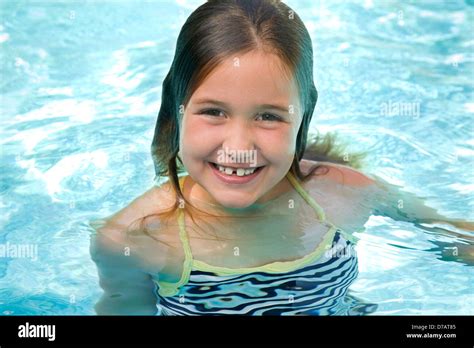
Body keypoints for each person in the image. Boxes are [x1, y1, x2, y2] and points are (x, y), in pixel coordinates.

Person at [89, 0, 473, 315]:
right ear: (176, 110)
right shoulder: (133, 239)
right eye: (214, 112)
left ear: (303, 117)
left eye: (268, 116)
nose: (239, 145)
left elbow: (452, 235)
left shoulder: (346, 194)